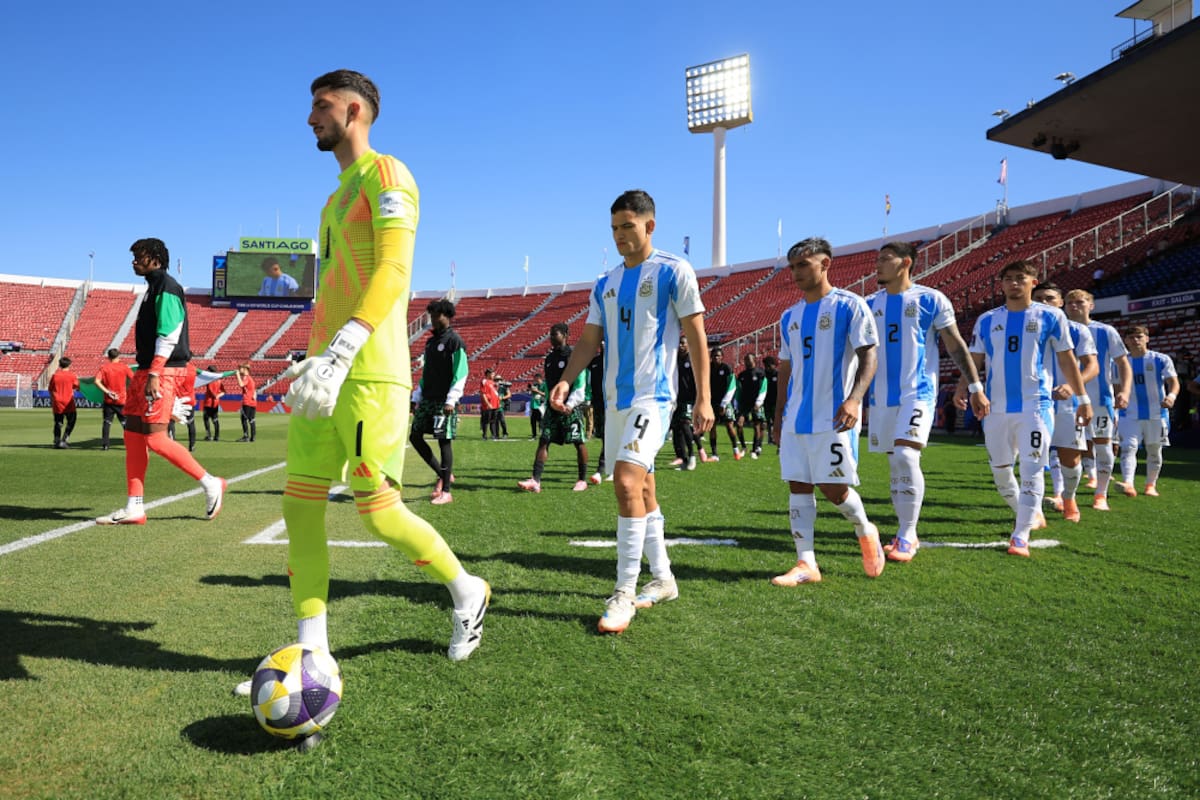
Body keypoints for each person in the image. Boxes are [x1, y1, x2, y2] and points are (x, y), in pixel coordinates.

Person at [237, 71, 488, 707]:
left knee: (379, 512)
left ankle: (467, 590)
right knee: (299, 505)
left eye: (320, 107)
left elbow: (393, 270)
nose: (310, 118)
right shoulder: (330, 200)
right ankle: (312, 649)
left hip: (371, 371)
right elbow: (334, 290)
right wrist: (313, 355)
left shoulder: (389, 176)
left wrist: (346, 347)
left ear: (355, 111)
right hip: (327, 372)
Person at [549, 189, 712, 633]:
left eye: (628, 226)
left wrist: (704, 397)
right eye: (615, 228)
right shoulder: (604, 283)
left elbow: (696, 336)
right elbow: (588, 341)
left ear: (649, 226)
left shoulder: (674, 271)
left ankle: (623, 590)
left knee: (623, 480)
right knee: (643, 491)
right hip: (614, 401)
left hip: (654, 397)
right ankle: (664, 579)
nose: (621, 235)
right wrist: (566, 378)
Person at [770, 237, 884, 586]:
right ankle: (806, 563)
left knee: (833, 490)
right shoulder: (789, 316)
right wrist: (777, 419)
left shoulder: (850, 306)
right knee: (798, 485)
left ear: (825, 264)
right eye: (792, 267)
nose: (796, 272)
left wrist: (854, 399)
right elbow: (785, 372)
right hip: (796, 418)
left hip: (834, 416)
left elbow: (869, 355)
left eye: (803, 264)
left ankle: (866, 530)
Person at [958, 260, 1091, 557]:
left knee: (1032, 470)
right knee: (1001, 472)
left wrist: (1082, 398)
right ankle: (1027, 513)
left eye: (1020, 278)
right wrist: (964, 388)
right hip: (996, 408)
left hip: (1036, 407)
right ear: (1002, 284)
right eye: (1008, 279)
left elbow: (1068, 359)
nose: (1014, 283)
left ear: (1033, 282)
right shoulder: (987, 320)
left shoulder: (1051, 316)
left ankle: (1020, 535)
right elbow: (974, 359)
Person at [866, 241, 988, 562]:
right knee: (896, 464)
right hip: (881, 398)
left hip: (918, 393)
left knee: (906, 456)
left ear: (905, 263)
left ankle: (907, 534)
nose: (877, 265)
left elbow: (957, 346)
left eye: (884, 260)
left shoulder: (931, 299)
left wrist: (975, 386)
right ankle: (905, 531)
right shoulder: (868, 304)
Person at [95, 238, 226, 525]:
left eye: (139, 257)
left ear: (155, 258)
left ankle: (210, 483)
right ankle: (135, 507)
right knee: (132, 437)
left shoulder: (167, 286)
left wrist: (154, 372)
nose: (134, 262)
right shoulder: (152, 288)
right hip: (147, 370)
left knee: (155, 438)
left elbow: (169, 333)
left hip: (163, 370)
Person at [1031, 282, 1097, 523]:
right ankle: (1034, 509)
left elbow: (1092, 366)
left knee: (1071, 460)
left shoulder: (1077, 330)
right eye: (1038, 298)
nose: (1044, 302)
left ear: (1060, 303)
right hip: (1034, 406)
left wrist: (1071, 386)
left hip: (1067, 406)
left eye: (1050, 298)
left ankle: (1068, 497)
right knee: (1034, 458)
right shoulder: (1025, 329)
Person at [1063, 289, 1131, 510]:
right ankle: (1062, 495)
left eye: (1080, 302)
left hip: (1100, 399)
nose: (1074, 306)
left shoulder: (1105, 331)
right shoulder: (1058, 329)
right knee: (1065, 449)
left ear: (1091, 305)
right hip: (1067, 400)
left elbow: (1123, 364)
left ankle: (1100, 495)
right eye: (1070, 302)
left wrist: (1125, 391)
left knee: (1103, 446)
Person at [518, 323, 590, 492]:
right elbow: (549, 386)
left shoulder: (574, 356)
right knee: (544, 440)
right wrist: (549, 403)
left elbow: (580, 384)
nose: (551, 338)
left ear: (566, 335)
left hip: (571, 408)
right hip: (552, 408)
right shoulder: (549, 358)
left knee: (578, 442)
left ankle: (582, 479)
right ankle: (535, 480)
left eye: (555, 334)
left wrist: (570, 404)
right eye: (550, 335)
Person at [409, 298, 467, 505]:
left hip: (444, 401)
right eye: (431, 315)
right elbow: (426, 373)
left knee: (444, 441)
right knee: (415, 437)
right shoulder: (430, 342)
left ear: (447, 316)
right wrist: (417, 397)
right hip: (428, 399)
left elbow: (461, 372)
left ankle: (447, 492)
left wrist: (452, 399)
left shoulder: (455, 341)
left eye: (436, 315)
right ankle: (443, 475)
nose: (432, 319)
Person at [1116, 325, 1179, 497]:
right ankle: (1128, 483)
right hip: (1128, 413)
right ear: (1126, 340)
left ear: (1147, 338)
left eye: (1139, 336)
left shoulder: (1160, 359)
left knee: (1154, 450)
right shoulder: (1120, 362)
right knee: (1128, 447)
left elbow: (1173, 382)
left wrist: (1171, 396)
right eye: (1131, 337)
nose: (1135, 340)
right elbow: (1116, 386)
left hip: (1157, 413)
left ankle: (1150, 485)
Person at [670, 336, 704, 470]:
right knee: (676, 428)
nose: (680, 346)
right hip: (675, 398)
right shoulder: (674, 360)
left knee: (685, 425)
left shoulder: (692, 360)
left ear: (688, 345)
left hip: (689, 399)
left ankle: (692, 456)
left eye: (683, 343)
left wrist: (698, 399)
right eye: (679, 343)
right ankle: (683, 459)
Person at [94, 348, 133, 450]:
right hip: (122, 399)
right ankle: (130, 444)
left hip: (109, 399)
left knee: (107, 422)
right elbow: (133, 379)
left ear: (108, 357)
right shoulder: (124, 367)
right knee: (125, 423)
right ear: (119, 356)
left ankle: (105, 445)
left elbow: (97, 381)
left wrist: (108, 392)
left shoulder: (104, 368)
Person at [706, 345, 738, 460]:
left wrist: (724, 403)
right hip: (712, 402)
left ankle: (735, 448)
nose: (716, 358)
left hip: (725, 401)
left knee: (729, 425)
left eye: (718, 356)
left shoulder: (727, 368)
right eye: (714, 356)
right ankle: (714, 454)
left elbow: (732, 387)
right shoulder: (708, 368)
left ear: (722, 357)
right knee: (712, 427)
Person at [734, 352, 767, 458]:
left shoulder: (760, 373)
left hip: (756, 404)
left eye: (749, 359)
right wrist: (736, 403)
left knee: (757, 426)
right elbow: (738, 390)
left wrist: (759, 402)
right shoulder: (741, 375)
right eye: (746, 360)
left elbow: (763, 388)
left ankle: (754, 449)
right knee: (739, 425)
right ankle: (744, 447)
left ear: (754, 360)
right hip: (744, 404)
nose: (747, 362)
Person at [586, 341, 606, 484]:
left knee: (609, 435)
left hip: (613, 402)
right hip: (598, 402)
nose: (603, 344)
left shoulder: (615, 360)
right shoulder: (594, 361)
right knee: (603, 434)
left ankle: (603, 467)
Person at [48, 356, 79, 449]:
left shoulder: (55, 376)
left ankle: (57, 440)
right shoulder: (72, 375)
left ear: (59, 365)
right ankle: (64, 439)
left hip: (57, 401)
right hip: (68, 401)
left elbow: (50, 389)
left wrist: (53, 399)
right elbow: (77, 386)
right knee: (71, 421)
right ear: (69, 364)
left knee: (58, 422)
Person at [167, 366, 198, 452]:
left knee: (171, 422)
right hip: (189, 399)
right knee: (191, 423)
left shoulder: (175, 368)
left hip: (176, 400)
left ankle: (171, 444)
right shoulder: (193, 369)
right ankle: (192, 446)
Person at [201, 364, 225, 441]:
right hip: (216, 402)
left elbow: (210, 390)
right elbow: (224, 391)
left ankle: (209, 435)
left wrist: (214, 396)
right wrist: (218, 396)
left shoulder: (210, 380)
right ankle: (217, 436)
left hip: (208, 402)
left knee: (206, 418)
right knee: (215, 419)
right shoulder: (219, 380)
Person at [235, 363, 257, 442]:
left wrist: (237, 375)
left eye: (240, 368)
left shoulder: (246, 377)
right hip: (253, 402)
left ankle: (246, 436)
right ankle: (253, 437)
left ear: (245, 369)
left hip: (247, 401)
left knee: (243, 419)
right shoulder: (251, 379)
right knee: (252, 419)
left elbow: (241, 384)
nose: (239, 370)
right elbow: (254, 390)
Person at [762, 354, 779, 446]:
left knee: (777, 421)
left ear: (774, 365)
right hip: (766, 402)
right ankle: (770, 439)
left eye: (768, 365)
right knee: (768, 421)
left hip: (776, 402)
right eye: (765, 365)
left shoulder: (778, 374)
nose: (767, 367)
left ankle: (778, 438)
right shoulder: (763, 375)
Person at [479, 368, 499, 439]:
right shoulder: (484, 381)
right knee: (486, 421)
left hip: (495, 405)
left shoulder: (493, 382)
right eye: (492, 374)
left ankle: (493, 435)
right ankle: (484, 435)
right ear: (488, 374)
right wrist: (488, 404)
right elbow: (483, 394)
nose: (494, 375)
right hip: (488, 405)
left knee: (493, 421)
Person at [528, 371, 545, 439]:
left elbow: (546, 394)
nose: (534, 380)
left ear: (539, 378)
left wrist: (537, 391)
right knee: (533, 421)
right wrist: (531, 390)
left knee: (540, 420)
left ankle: (542, 433)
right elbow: (532, 393)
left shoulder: (544, 385)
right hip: (533, 405)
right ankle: (534, 434)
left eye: (535, 378)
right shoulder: (535, 385)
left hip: (541, 405)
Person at [494, 374, 511, 438]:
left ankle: (505, 433)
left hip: (501, 405)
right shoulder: (493, 387)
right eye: (496, 380)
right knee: (495, 421)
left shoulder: (504, 387)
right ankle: (496, 434)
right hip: (494, 406)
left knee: (502, 420)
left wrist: (502, 397)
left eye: (499, 380)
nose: (498, 381)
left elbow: (509, 395)